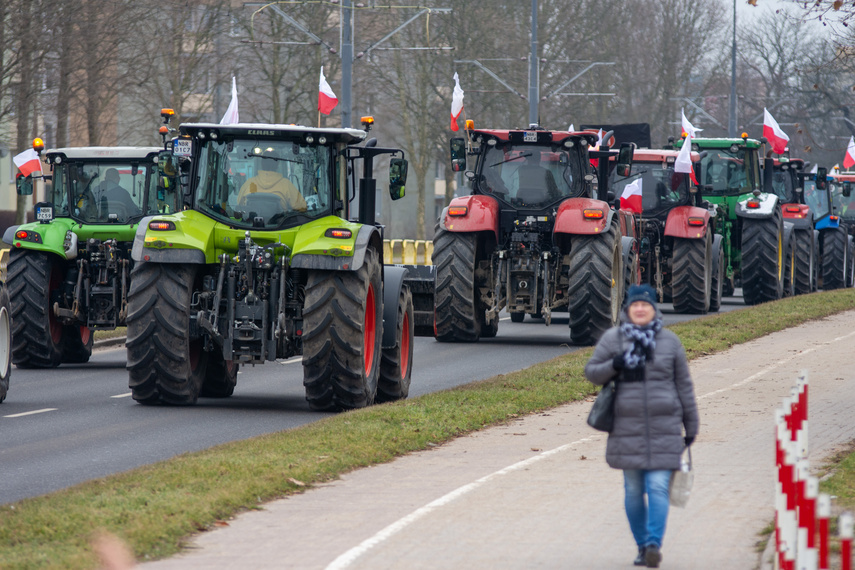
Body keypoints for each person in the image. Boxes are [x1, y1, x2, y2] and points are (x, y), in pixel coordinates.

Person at [584, 284, 699, 568]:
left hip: (666, 427)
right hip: (627, 428)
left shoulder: (670, 342)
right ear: (627, 309)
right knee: (634, 490)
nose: (639, 309)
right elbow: (592, 373)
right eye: (635, 305)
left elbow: (684, 385)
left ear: (653, 309)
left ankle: (653, 545)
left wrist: (691, 425)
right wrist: (616, 364)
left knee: (658, 486)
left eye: (645, 305)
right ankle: (640, 545)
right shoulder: (613, 339)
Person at [238, 156, 307, 213]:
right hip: (281, 226)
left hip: (250, 225)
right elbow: (301, 207)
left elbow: (239, 204)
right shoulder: (286, 184)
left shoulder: (250, 182)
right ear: (277, 165)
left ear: (262, 164)